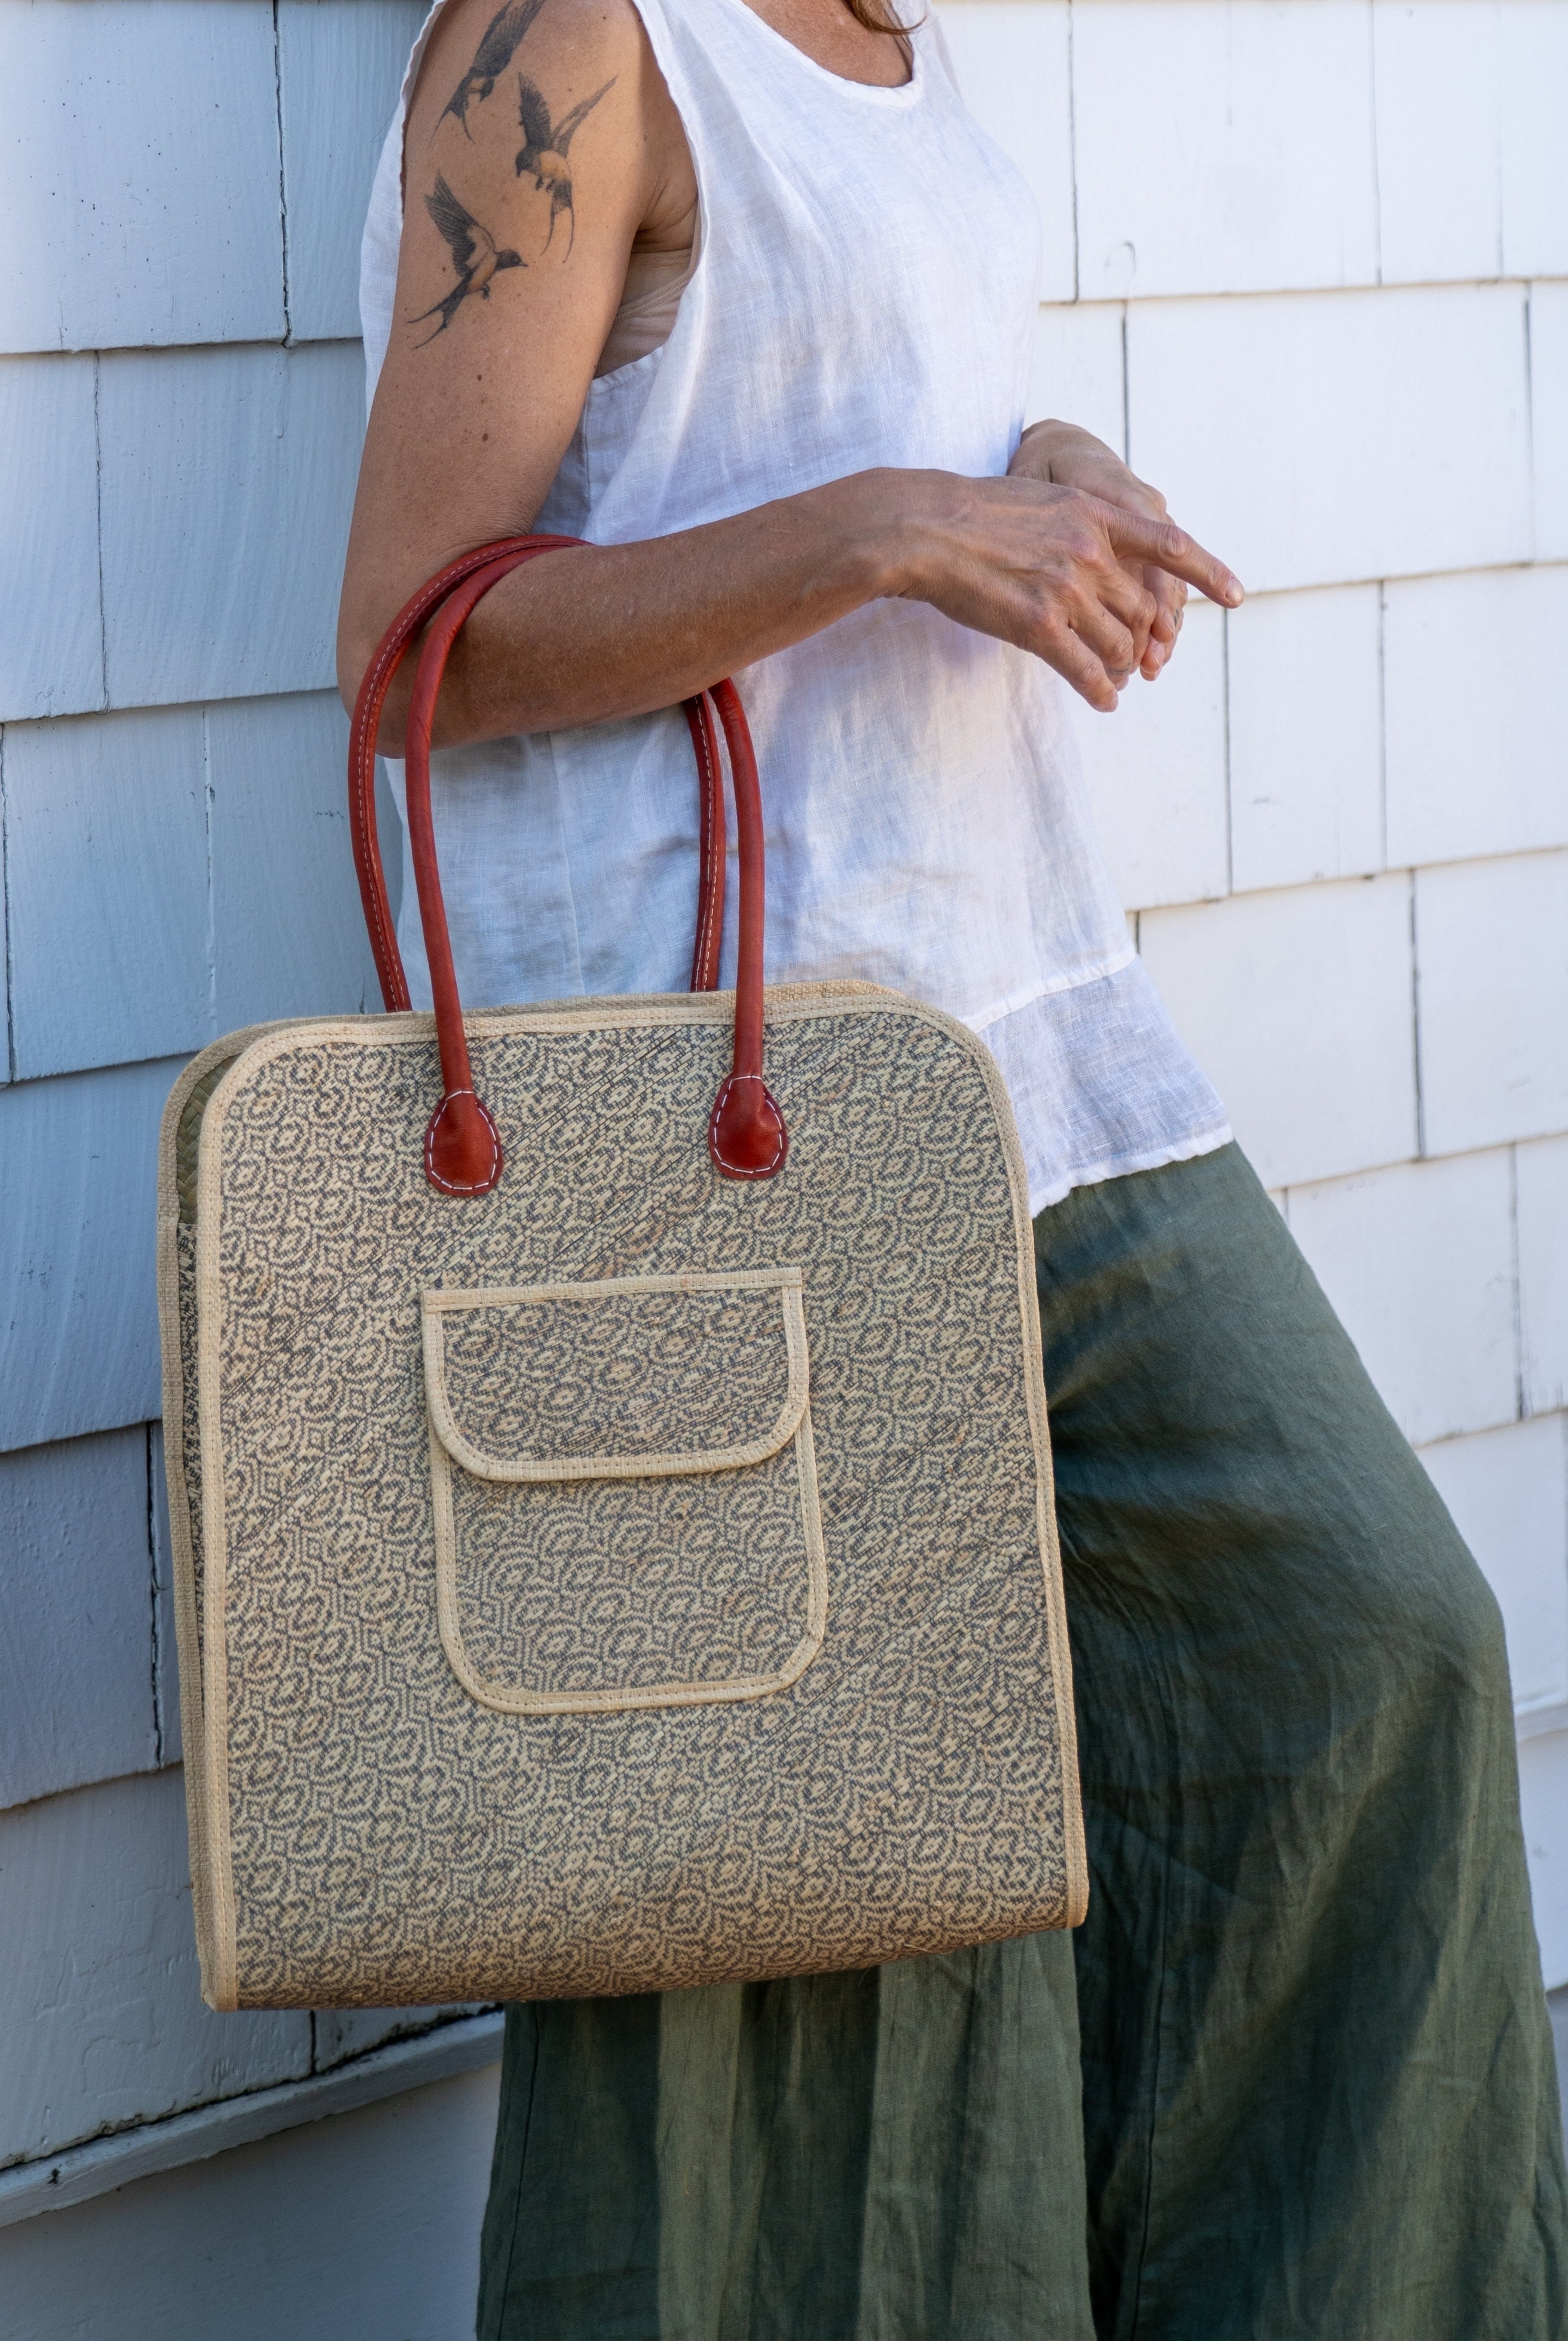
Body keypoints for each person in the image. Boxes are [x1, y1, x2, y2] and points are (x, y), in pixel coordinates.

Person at [338, 0, 1568, 2329]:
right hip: (740, 1106)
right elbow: (418, 642)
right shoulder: (574, 41)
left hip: (1035, 1045)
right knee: (824, 1932)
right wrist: (894, 528)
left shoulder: (886, 37)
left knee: (1365, 1655)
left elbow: (806, 418)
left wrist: (1027, 468)